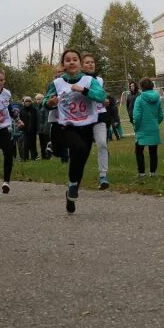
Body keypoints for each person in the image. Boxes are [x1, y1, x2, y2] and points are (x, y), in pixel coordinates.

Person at [44, 49, 106, 214]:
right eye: (67, 60)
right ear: (63, 64)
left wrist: (83, 90)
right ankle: (71, 183)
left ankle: (71, 192)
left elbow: (101, 96)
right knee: (78, 148)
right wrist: (50, 102)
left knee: (80, 162)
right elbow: (45, 101)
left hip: (86, 126)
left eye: (74, 59)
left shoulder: (89, 80)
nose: (71, 62)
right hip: (67, 126)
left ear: (79, 63)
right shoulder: (57, 83)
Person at [82, 53, 110, 189]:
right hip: (84, 117)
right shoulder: (79, 79)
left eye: (92, 62)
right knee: (82, 149)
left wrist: (105, 100)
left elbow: (101, 95)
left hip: (99, 115)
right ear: (81, 65)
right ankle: (76, 176)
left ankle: (103, 176)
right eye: (87, 62)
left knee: (102, 144)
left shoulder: (99, 79)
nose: (90, 64)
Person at [133, 78, 164, 178]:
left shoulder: (139, 99)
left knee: (138, 151)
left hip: (141, 129)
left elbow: (137, 116)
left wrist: (136, 128)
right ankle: (153, 172)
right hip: (154, 128)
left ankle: (141, 173)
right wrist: (155, 123)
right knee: (153, 152)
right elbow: (161, 115)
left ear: (141, 87)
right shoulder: (158, 98)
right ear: (152, 86)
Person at [19, 96, 39, 161]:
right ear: (24, 102)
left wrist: (36, 129)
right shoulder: (22, 110)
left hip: (33, 130)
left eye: (29, 101)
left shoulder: (34, 110)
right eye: (26, 101)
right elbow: (20, 120)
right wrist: (20, 128)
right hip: (25, 130)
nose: (27, 103)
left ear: (31, 102)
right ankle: (25, 157)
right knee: (25, 144)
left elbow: (36, 120)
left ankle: (34, 157)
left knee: (33, 144)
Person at [35, 93, 51, 160]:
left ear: (43, 99)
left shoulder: (45, 107)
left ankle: (48, 156)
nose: (38, 101)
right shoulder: (37, 108)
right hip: (39, 129)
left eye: (40, 99)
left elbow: (47, 118)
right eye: (37, 99)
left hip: (45, 129)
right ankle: (43, 156)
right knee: (41, 143)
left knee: (46, 143)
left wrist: (46, 129)